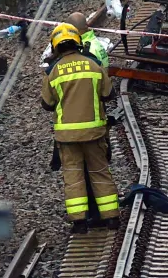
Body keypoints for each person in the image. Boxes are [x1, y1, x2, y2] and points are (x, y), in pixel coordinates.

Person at [41, 23, 120, 233]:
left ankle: (79, 222)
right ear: (79, 42)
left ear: (56, 47)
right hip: (94, 132)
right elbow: (108, 94)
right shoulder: (94, 66)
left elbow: (47, 104)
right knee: (100, 171)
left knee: (73, 175)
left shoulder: (54, 72)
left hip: (67, 136)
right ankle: (111, 218)